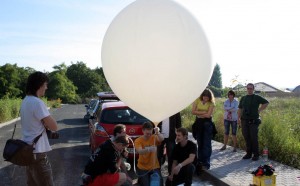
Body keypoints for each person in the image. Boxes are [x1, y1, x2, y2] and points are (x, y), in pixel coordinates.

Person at [20, 71, 58, 186]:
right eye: (45, 84)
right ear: (39, 85)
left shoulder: (25, 100)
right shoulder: (37, 103)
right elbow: (54, 126)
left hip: (28, 151)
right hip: (38, 153)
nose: (46, 87)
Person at [238, 83, 269, 161]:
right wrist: (238, 118)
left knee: (253, 138)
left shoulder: (256, 97)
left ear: (253, 89)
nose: (249, 90)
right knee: (246, 137)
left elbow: (266, 102)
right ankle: (248, 153)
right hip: (244, 120)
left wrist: (259, 110)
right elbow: (240, 109)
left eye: (251, 88)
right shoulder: (243, 98)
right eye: (248, 88)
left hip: (254, 121)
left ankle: (256, 154)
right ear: (246, 89)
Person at [191, 88, 215, 171]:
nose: (205, 98)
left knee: (206, 144)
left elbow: (209, 115)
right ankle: (200, 161)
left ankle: (206, 163)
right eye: (204, 96)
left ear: (209, 97)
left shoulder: (211, 103)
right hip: (198, 124)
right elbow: (193, 111)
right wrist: (204, 112)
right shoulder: (197, 100)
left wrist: (199, 112)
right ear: (202, 96)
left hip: (207, 124)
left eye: (207, 97)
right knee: (200, 143)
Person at [134, 121, 164, 186]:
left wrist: (158, 132)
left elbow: (162, 139)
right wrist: (149, 149)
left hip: (154, 166)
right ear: (143, 131)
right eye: (147, 133)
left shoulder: (153, 137)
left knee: (159, 183)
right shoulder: (138, 140)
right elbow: (140, 151)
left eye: (150, 133)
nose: (149, 135)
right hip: (142, 167)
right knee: (146, 184)